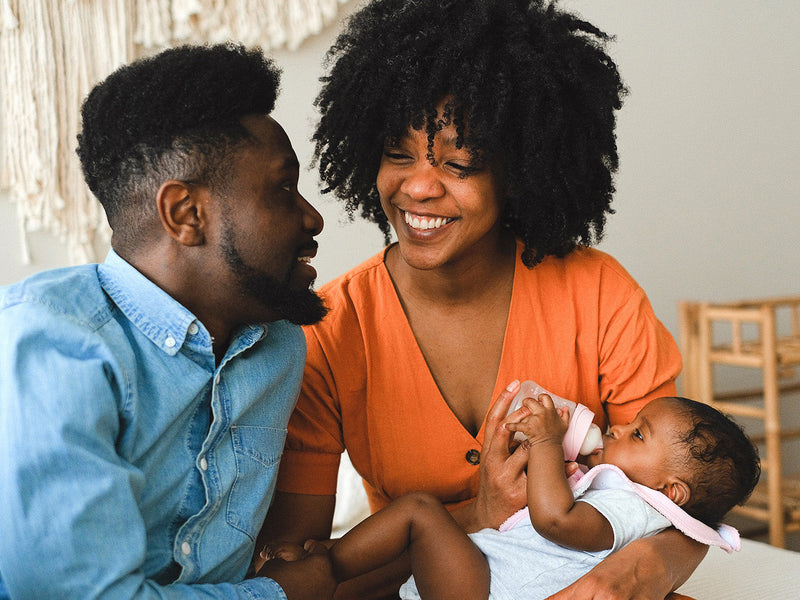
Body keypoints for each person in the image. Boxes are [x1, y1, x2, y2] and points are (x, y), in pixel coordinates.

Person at [260, 0, 706, 598]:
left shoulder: (600, 294)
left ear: (518, 169)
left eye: (459, 161)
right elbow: (300, 579)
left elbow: (684, 490)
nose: (418, 185)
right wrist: (478, 515)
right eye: (398, 153)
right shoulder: (332, 331)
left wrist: (633, 576)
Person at [0, 43, 336, 599]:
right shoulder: (51, 347)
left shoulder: (277, 347)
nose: (312, 216)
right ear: (185, 214)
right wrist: (277, 595)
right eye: (282, 188)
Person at [260, 394, 761, 600]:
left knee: (418, 510)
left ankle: (327, 565)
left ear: (669, 491)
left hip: (487, 591)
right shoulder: (628, 497)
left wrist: (545, 442)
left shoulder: (633, 508)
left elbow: (556, 522)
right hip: (491, 582)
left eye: (637, 435)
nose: (618, 426)